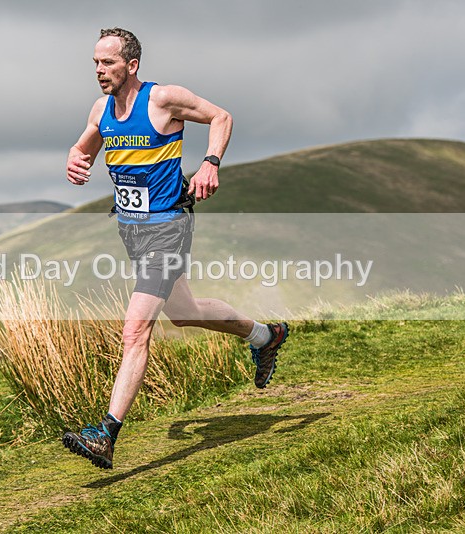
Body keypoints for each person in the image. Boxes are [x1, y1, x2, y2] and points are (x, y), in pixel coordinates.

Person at [62, 28, 289, 469]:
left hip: (168, 227)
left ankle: (105, 434)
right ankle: (265, 335)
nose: (98, 71)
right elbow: (86, 142)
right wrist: (75, 157)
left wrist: (210, 162)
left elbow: (221, 117)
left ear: (132, 65)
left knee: (135, 330)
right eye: (94, 63)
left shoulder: (164, 99)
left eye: (107, 63)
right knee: (184, 312)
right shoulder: (102, 108)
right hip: (132, 231)